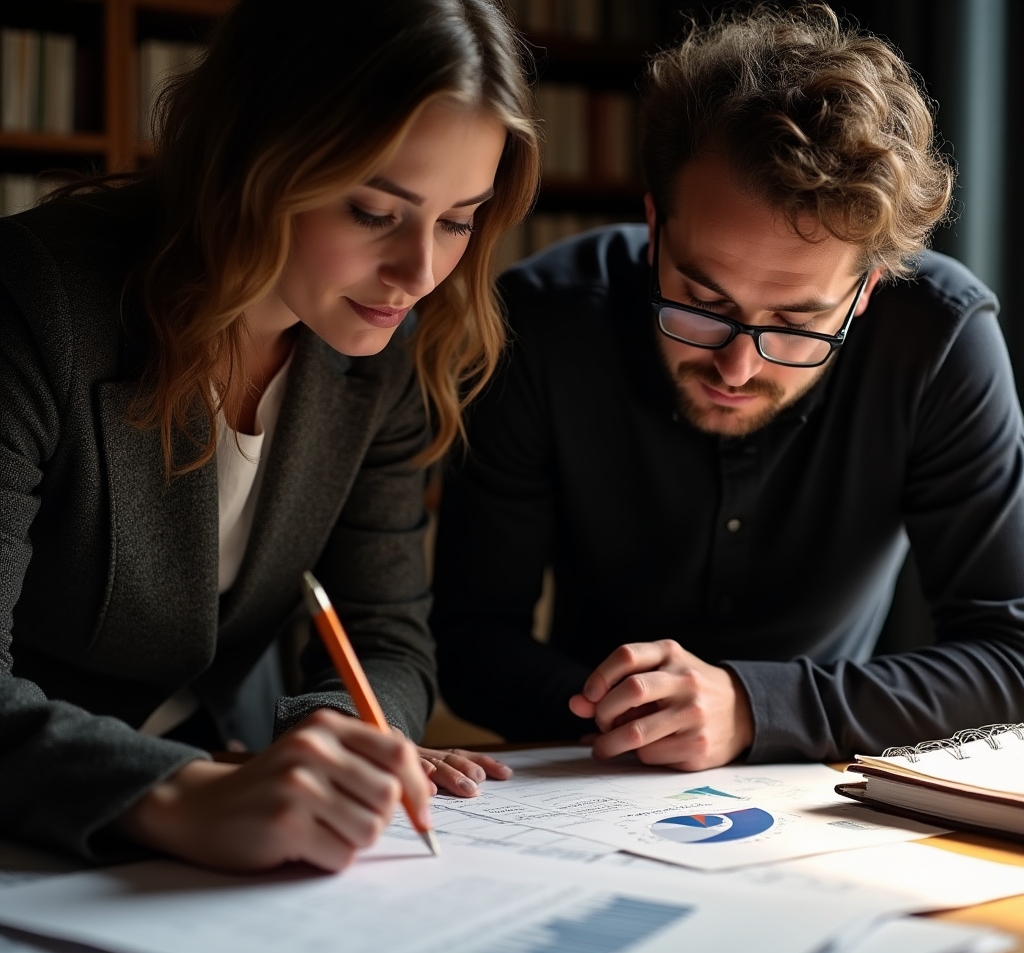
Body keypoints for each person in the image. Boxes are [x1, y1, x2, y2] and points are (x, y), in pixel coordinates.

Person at [0, 0, 538, 871]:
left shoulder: (384, 353)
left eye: (457, 220)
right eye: (374, 211)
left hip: (221, 791)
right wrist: (175, 795)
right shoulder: (34, 303)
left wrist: (343, 738)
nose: (420, 274)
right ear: (257, 160)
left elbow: (386, 636)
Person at [431, 5, 1024, 768]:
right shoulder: (541, 325)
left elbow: (1012, 658)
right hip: (586, 764)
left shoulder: (939, 341)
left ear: (865, 291)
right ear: (655, 226)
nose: (737, 368)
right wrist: (643, 716)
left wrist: (753, 708)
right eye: (704, 304)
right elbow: (470, 642)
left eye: (797, 322)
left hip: (822, 784)